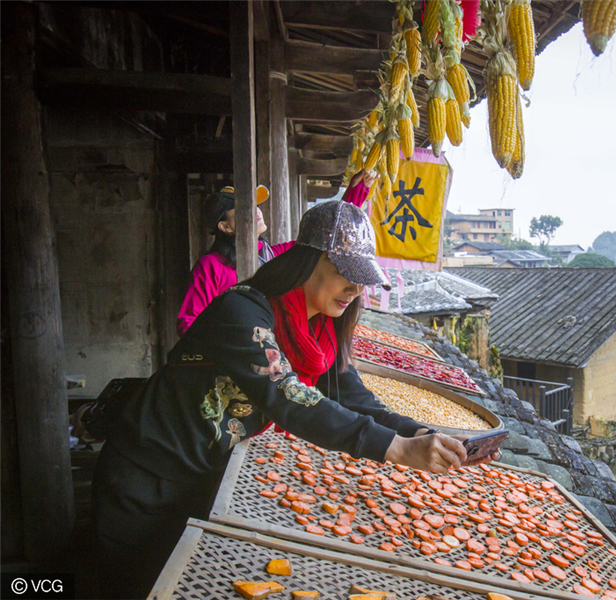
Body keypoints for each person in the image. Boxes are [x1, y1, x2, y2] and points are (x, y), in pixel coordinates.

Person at [92, 199, 494, 599]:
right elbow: (287, 396)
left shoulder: (320, 331)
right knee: (135, 585)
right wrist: (399, 449)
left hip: (201, 476)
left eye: (361, 280)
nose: (355, 290)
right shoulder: (243, 310)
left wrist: (427, 435)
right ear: (306, 261)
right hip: (145, 477)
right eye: (344, 274)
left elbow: (357, 399)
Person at [177, 170, 378, 336]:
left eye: (254, 204)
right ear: (224, 226)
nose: (255, 210)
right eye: (242, 208)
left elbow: (327, 235)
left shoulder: (274, 254)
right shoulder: (211, 266)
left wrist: (356, 191)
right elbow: (187, 323)